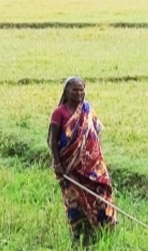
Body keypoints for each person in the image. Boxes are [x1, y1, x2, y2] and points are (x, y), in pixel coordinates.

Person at [48, 76, 117, 241]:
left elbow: (95, 133)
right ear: (67, 91)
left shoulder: (88, 110)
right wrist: (57, 163)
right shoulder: (59, 113)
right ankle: (79, 235)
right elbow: (52, 140)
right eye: (75, 89)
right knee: (75, 200)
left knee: (101, 193)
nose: (79, 93)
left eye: (81, 89)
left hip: (93, 167)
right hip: (70, 168)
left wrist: (93, 156)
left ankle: (103, 230)